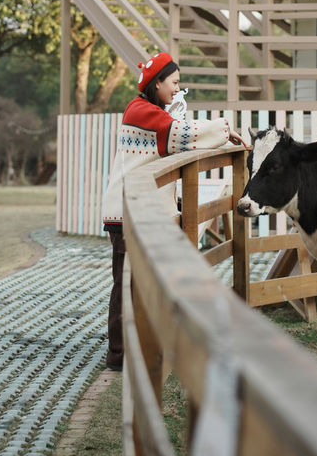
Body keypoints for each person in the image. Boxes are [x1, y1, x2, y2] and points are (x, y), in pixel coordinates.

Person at [101, 51, 246, 370]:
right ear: (157, 83)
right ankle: (120, 353)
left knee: (138, 281)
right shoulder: (142, 111)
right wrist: (224, 131)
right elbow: (182, 136)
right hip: (127, 214)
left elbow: (178, 132)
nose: (177, 90)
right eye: (174, 83)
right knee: (127, 283)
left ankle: (135, 347)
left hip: (134, 210)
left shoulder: (148, 110)